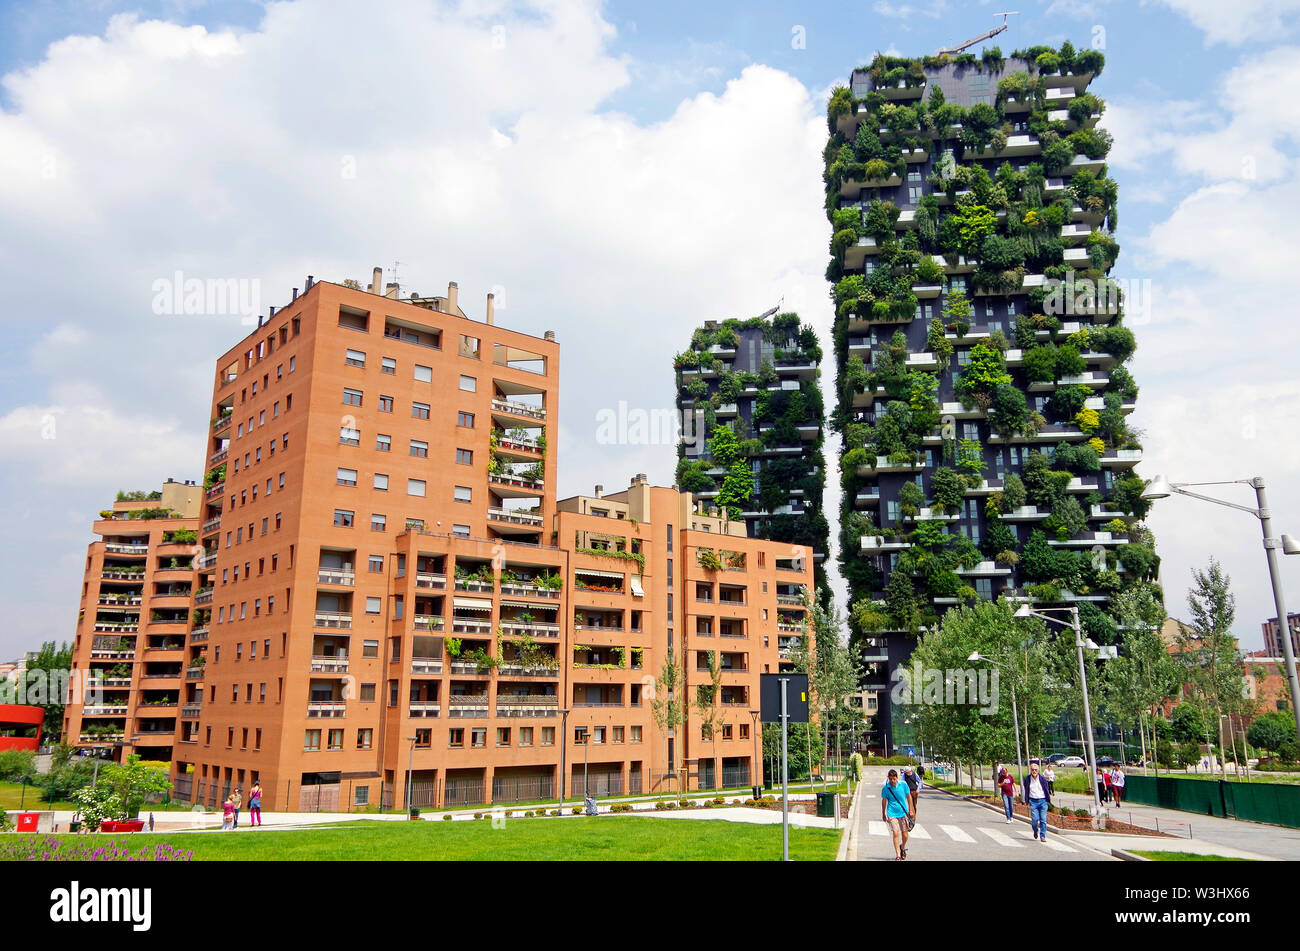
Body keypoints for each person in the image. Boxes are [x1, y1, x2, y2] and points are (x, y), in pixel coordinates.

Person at [881, 769, 914, 861]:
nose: (892, 781)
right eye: (890, 779)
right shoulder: (886, 788)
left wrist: (911, 810)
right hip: (891, 812)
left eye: (894, 779)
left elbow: (909, 796)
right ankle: (898, 855)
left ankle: (902, 847)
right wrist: (883, 813)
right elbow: (884, 801)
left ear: (897, 778)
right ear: (888, 778)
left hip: (903, 812)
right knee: (895, 832)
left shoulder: (903, 785)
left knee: (905, 835)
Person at [1023, 761, 1051, 842]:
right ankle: (1035, 831)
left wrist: (1047, 800)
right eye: (1032, 770)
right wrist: (1026, 800)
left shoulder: (1042, 779)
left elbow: (1046, 789)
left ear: (1038, 770)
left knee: (1043, 819)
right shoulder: (1028, 779)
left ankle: (1043, 836)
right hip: (1033, 801)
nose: (1034, 771)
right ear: (1030, 770)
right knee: (1034, 820)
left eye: (1035, 770)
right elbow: (1026, 789)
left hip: (1043, 801)